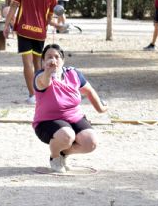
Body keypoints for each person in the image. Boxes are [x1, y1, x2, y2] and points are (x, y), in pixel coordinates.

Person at [33, 44, 107, 173]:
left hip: (74, 117)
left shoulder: (73, 73)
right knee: (67, 135)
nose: (53, 60)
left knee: (91, 142)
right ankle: (55, 157)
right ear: (43, 61)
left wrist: (101, 108)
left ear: (63, 61)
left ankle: (63, 153)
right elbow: (45, 82)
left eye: (57, 57)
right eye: (49, 57)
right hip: (47, 121)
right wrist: (48, 71)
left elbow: (89, 91)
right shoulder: (40, 76)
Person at [3, 0, 59, 105]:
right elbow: (49, 18)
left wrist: (6, 25)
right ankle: (41, 93)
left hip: (24, 30)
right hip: (39, 32)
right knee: (38, 63)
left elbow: (13, 7)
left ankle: (32, 95)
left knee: (27, 64)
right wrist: (57, 25)